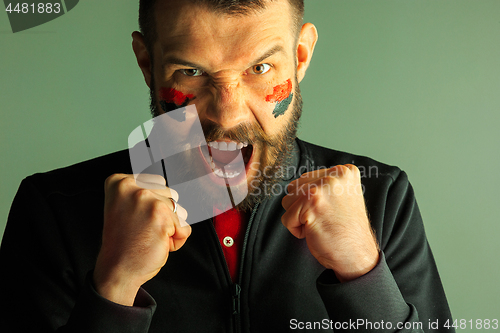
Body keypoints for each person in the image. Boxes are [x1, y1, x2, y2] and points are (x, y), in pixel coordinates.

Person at [0, 0, 454, 332]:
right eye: (192, 73)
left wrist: (362, 274)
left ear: (299, 58)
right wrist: (113, 288)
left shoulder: (382, 196)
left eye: (260, 68)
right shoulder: (53, 211)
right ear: (147, 63)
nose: (227, 114)